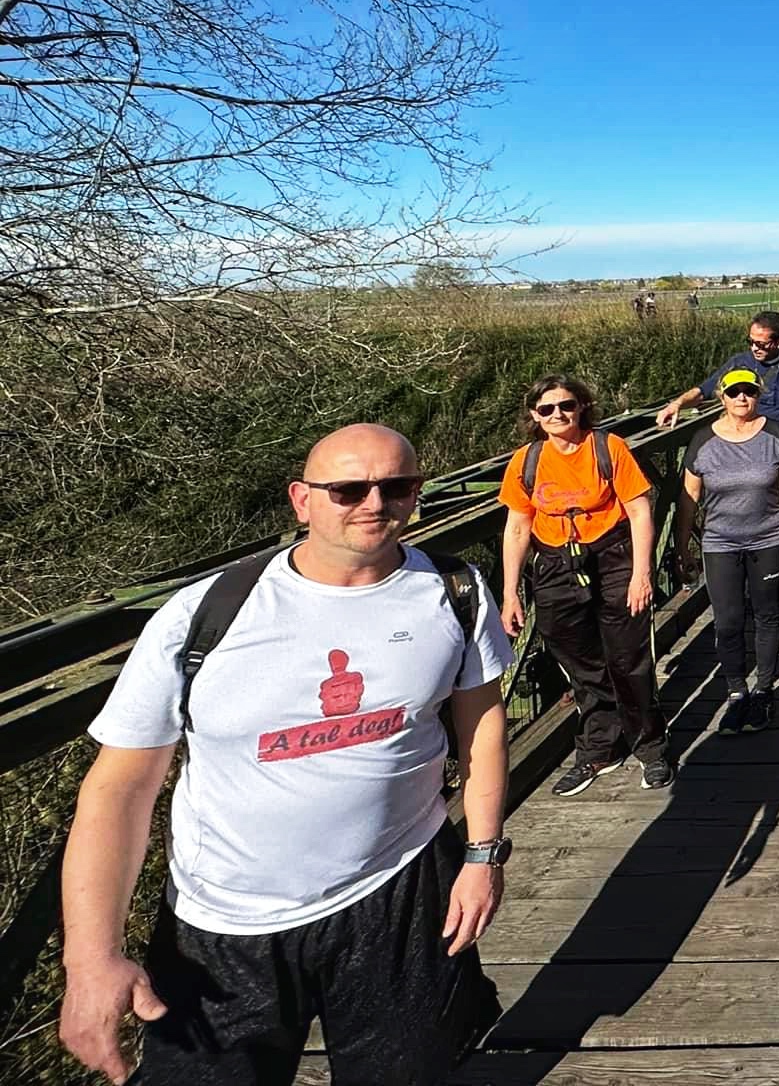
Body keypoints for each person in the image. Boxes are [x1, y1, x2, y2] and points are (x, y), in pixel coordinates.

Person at [62, 424, 510, 1086]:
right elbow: (118, 789)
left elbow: (482, 723)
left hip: (402, 886)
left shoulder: (454, 589)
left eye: (397, 486)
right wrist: (90, 959)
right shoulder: (205, 614)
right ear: (302, 500)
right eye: (348, 489)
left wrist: (483, 854)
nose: (375, 503)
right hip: (223, 920)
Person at [499, 375, 670, 795]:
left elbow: (639, 511)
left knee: (628, 657)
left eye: (567, 405)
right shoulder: (526, 461)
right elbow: (517, 528)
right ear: (535, 416)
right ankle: (601, 747)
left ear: (581, 407)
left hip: (612, 557)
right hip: (556, 564)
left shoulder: (608, 448)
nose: (558, 414)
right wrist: (509, 593)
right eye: (547, 409)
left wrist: (642, 574)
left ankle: (650, 747)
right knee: (577, 658)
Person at [682, 369, 779, 735]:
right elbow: (688, 498)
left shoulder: (777, 434)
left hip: (768, 538)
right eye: (734, 391)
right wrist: (682, 546)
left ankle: (764, 690)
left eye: (749, 391)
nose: (741, 398)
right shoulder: (703, 440)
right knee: (728, 621)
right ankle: (736, 692)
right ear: (721, 397)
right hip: (719, 542)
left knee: (767, 614)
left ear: (759, 395)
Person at [656, 312, 779, 448]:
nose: (754, 348)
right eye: (750, 342)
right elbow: (704, 391)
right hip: (747, 447)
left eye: (761, 344)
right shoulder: (738, 363)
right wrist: (677, 404)